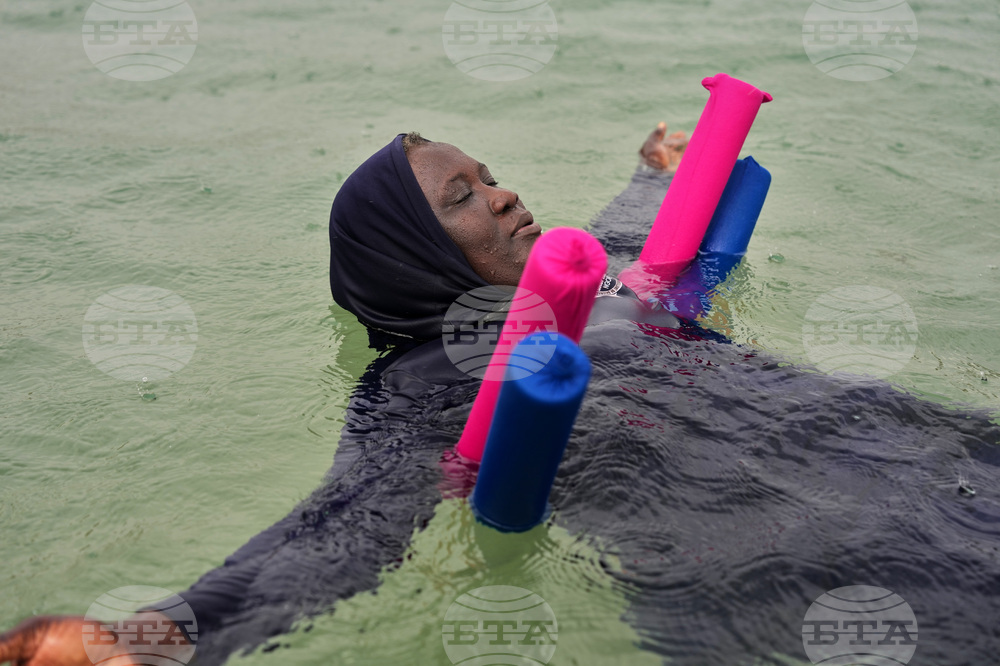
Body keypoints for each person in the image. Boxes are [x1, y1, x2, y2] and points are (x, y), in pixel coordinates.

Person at [5, 127, 1000, 666]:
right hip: (752, 557)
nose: (501, 194)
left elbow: (630, 233)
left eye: (486, 176)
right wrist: (166, 632)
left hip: (890, 452)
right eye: (459, 198)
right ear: (408, 255)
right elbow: (338, 532)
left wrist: (654, 170)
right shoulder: (423, 384)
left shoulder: (595, 281)